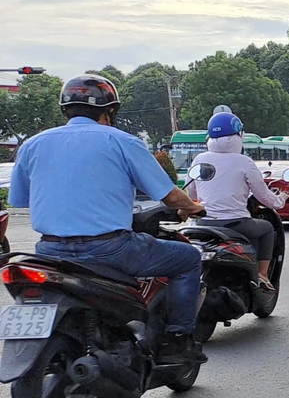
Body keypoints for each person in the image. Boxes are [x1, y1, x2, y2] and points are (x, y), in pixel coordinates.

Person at [9, 75, 207, 364]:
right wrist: (194, 208)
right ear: (109, 111)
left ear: (65, 109)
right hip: (110, 249)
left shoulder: (32, 145)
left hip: (49, 253)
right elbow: (171, 196)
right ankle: (178, 339)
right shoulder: (122, 141)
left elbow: (21, 200)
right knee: (188, 258)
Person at [189, 111, 288, 291]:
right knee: (267, 229)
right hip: (235, 224)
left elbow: (191, 192)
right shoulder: (244, 162)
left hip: (203, 223)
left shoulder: (200, 159)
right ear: (238, 135)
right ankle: (262, 275)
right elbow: (265, 197)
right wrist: (281, 199)